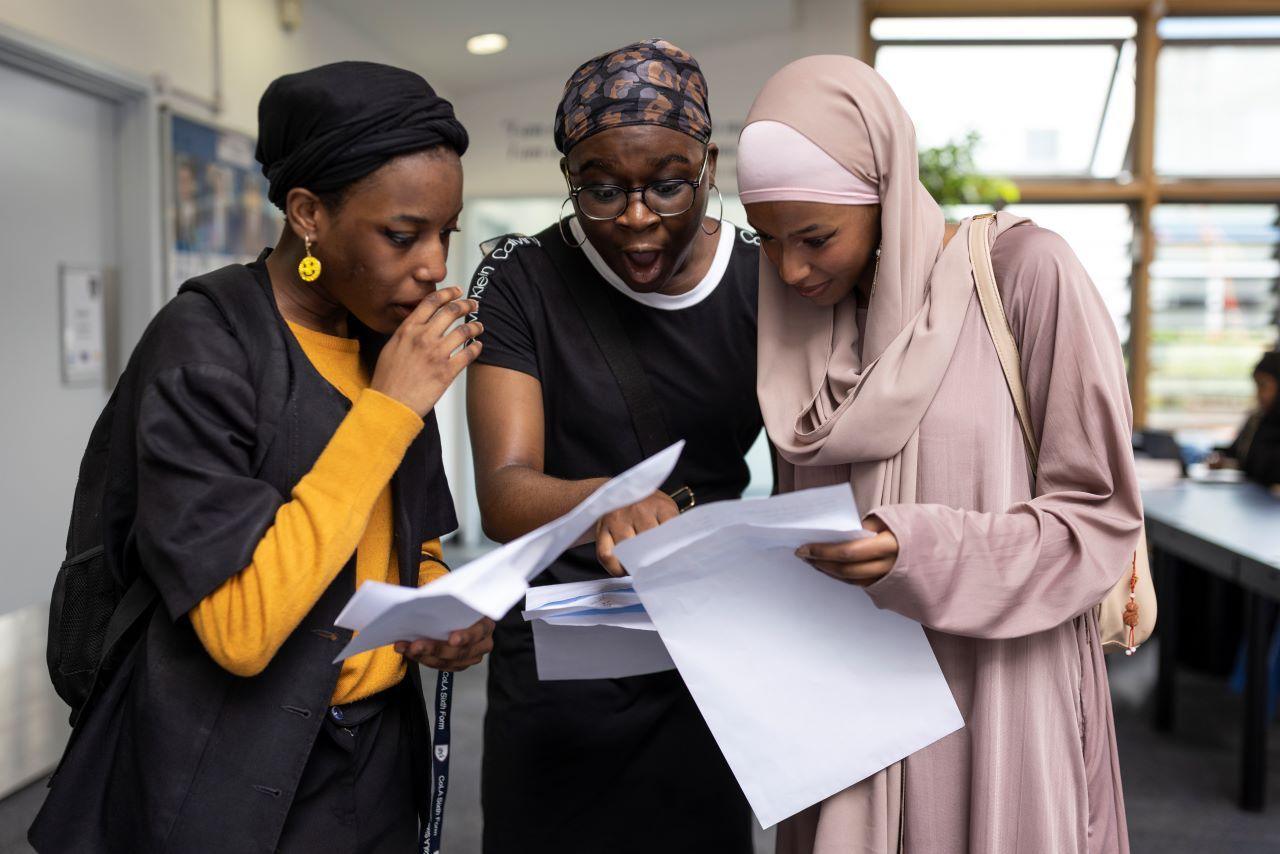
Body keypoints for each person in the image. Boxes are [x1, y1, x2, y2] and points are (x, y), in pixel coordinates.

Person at [31, 61, 493, 853]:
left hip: (376, 759)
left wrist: (442, 609)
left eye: (444, 233)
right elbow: (241, 633)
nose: (434, 267)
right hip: (228, 773)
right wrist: (388, 409)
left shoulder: (378, 335)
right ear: (308, 214)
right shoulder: (205, 344)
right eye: (402, 234)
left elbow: (406, 540)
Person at [737, 56, 1144, 853]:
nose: (790, 269)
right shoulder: (803, 333)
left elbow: (1098, 519)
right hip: (848, 717)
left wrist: (918, 550)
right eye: (768, 240)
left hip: (997, 701)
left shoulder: (1025, 274)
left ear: (883, 192)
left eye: (815, 237)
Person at [467, 38, 759, 854]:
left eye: (667, 184)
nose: (635, 218)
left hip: (703, 641)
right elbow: (504, 490)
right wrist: (607, 504)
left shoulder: (763, 283)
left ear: (708, 165)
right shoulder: (523, 280)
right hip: (563, 647)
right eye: (600, 190)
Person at [1208, 350, 1280, 485]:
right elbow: (1238, 452)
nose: (1258, 394)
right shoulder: (1257, 418)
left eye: (1263, 386)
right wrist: (1221, 458)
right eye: (1256, 385)